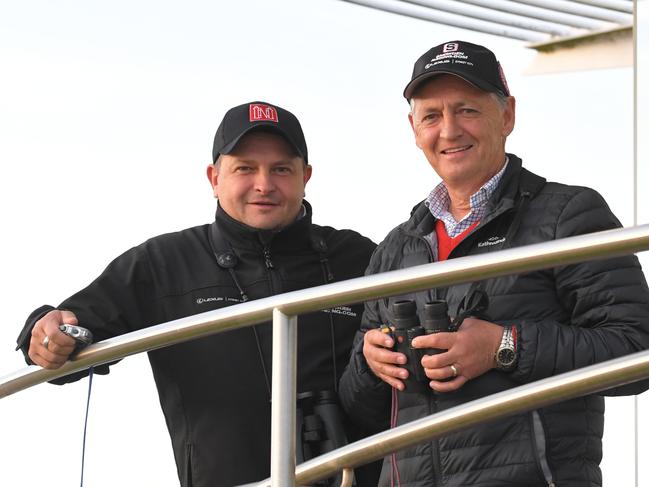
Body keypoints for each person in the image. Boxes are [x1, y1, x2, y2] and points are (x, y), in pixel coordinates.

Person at [16, 101, 379, 487]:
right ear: (213, 178)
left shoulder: (359, 257)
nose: (264, 185)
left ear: (305, 176)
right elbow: (71, 325)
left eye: (281, 169)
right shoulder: (163, 263)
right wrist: (44, 332)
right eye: (245, 168)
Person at [339, 40, 649, 487]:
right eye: (431, 115)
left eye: (466, 109)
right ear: (413, 128)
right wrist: (371, 367)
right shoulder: (393, 251)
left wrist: (504, 347)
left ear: (507, 116)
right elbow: (360, 411)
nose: (448, 130)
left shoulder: (569, 214)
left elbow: (636, 352)